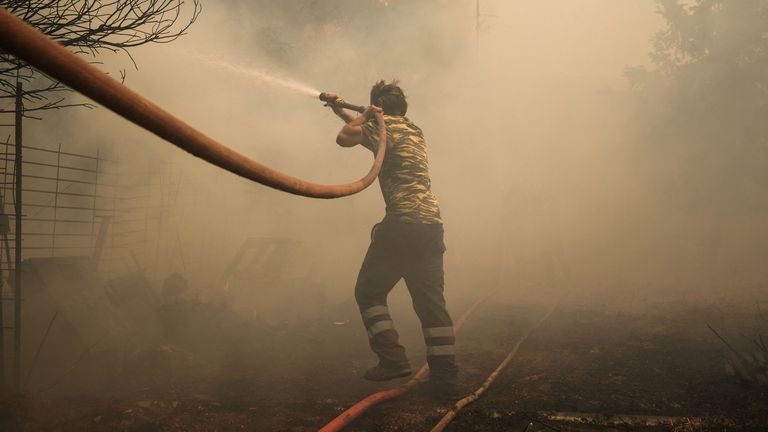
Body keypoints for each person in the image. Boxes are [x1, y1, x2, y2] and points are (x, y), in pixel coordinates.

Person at [326, 80, 457, 397]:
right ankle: (445, 380)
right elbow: (371, 138)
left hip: (401, 225)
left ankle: (393, 359)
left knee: (369, 292)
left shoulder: (383, 128)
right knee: (432, 305)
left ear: (378, 107)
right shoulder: (414, 130)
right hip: (430, 226)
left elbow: (345, 139)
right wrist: (339, 109)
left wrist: (365, 115)